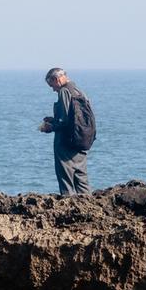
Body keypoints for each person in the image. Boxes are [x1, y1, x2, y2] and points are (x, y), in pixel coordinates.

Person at [38, 67, 93, 195]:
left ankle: (69, 206)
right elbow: (74, 116)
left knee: (65, 178)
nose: (53, 89)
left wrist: (49, 127)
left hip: (65, 143)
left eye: (52, 85)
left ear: (57, 79)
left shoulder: (64, 91)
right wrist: (53, 119)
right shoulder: (79, 91)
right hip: (81, 140)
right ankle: (88, 206)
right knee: (82, 179)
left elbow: (64, 120)